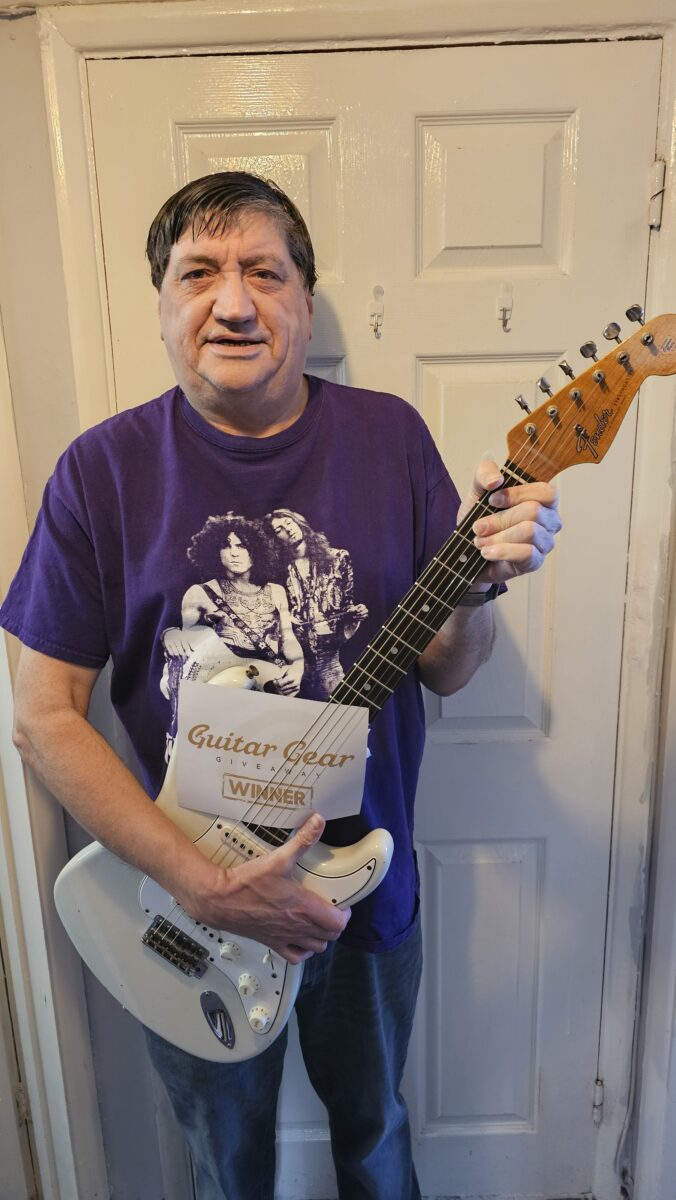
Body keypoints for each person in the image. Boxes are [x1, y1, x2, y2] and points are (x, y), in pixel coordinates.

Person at [1, 171, 561, 1199]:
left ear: (304, 301)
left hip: (362, 892)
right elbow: (41, 718)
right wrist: (201, 881)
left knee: (376, 1139)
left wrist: (477, 586)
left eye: (264, 271)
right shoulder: (99, 473)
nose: (233, 302)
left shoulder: (391, 438)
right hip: (184, 894)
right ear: (162, 303)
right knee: (227, 1165)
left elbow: (448, 664)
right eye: (198, 273)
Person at [160, 512, 304, 747]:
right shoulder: (199, 594)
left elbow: (288, 638)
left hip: (270, 694)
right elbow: (190, 662)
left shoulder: (276, 591)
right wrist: (171, 635)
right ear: (215, 553)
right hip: (223, 708)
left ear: (256, 550)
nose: (234, 553)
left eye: (242, 546)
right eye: (226, 546)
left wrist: (296, 670)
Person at [266, 507, 368, 699]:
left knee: (339, 707)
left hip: (329, 658)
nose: (288, 529)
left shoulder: (338, 558)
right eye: (279, 529)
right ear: (274, 539)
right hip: (293, 660)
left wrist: (356, 613)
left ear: (299, 522)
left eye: (289, 522)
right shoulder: (277, 570)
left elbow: (347, 604)